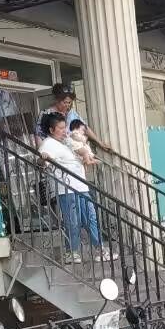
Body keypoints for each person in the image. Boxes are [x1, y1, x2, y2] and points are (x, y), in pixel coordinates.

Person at [38, 112, 114, 263]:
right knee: (72, 221)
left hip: (81, 186)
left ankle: (99, 249)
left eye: (64, 127)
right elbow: (41, 161)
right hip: (66, 189)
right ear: (51, 130)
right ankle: (71, 252)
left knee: (91, 218)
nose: (64, 131)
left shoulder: (66, 142)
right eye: (60, 128)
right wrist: (43, 158)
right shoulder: (48, 143)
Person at [38, 83, 103, 148]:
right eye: (65, 102)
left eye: (69, 102)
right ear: (57, 100)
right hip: (56, 149)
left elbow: (85, 127)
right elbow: (38, 136)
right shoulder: (46, 114)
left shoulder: (71, 113)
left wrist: (100, 143)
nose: (67, 105)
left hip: (74, 149)